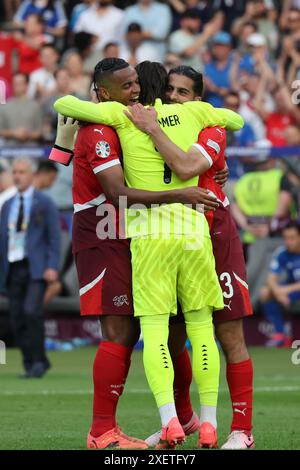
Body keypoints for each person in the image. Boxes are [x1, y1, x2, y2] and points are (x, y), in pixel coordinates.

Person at [54, 60, 244, 448]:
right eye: (128, 86)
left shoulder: (133, 121)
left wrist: (213, 171)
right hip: (105, 232)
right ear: (105, 92)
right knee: (126, 332)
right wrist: (189, 186)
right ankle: (102, 430)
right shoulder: (105, 127)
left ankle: (184, 417)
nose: (137, 93)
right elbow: (116, 194)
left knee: (171, 331)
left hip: (139, 235)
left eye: (139, 85)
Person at [125, 64, 255, 450]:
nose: (173, 98)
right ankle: (181, 421)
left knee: (228, 333)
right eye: (169, 90)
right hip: (175, 237)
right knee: (174, 336)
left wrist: (152, 128)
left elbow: (186, 166)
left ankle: (242, 431)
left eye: (183, 92)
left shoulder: (210, 128)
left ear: (198, 99)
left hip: (214, 234)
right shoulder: (164, 120)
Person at [0, 158, 60, 378]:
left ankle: (38, 361)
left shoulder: (44, 202)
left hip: (35, 268)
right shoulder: (7, 205)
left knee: (31, 311)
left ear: (32, 175)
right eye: (15, 172)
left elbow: (54, 237)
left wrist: (52, 266)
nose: (17, 176)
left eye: (22, 172)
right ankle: (31, 362)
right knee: (16, 316)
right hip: (12, 266)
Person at [260, 222, 300, 347]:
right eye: (286, 238)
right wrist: (278, 292)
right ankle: (281, 334)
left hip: (291, 289)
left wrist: (283, 291)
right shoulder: (282, 253)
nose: (288, 242)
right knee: (265, 292)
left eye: (292, 238)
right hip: (292, 290)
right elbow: (271, 278)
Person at [0, 72, 43, 147]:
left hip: (31, 150)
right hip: (9, 149)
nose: (17, 86)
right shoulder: (4, 107)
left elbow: (40, 132)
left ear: (26, 85)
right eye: (15, 83)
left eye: (20, 83)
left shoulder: (35, 106)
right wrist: (14, 133)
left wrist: (27, 135)